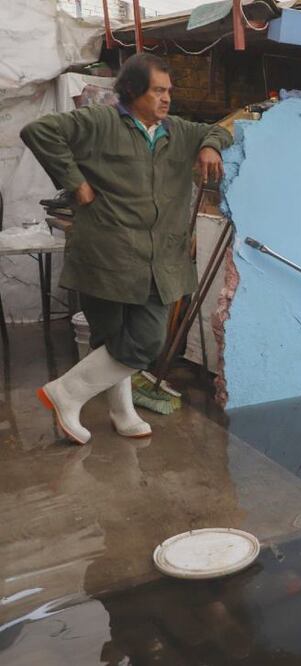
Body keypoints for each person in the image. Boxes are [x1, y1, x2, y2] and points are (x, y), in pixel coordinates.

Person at [20, 53, 233, 444]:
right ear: (132, 90)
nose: (166, 98)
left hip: (157, 261)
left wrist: (211, 146)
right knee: (110, 338)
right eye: (158, 91)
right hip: (105, 255)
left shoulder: (177, 131)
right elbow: (39, 131)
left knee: (146, 340)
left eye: (169, 91)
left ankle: (66, 393)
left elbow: (219, 131)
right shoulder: (100, 122)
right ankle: (121, 411)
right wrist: (75, 182)